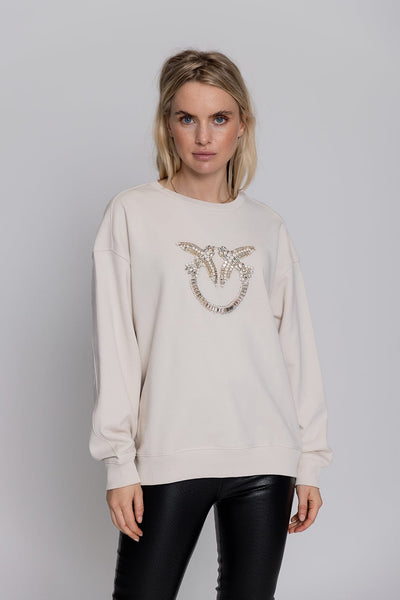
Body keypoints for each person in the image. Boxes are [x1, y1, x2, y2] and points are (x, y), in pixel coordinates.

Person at [89, 48, 334, 600]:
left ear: (242, 124)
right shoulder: (132, 214)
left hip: (265, 455)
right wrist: (119, 463)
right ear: (167, 125)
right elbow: (115, 343)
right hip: (169, 449)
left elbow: (295, 349)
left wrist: (310, 462)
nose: (204, 136)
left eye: (219, 118)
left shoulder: (267, 227)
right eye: (187, 118)